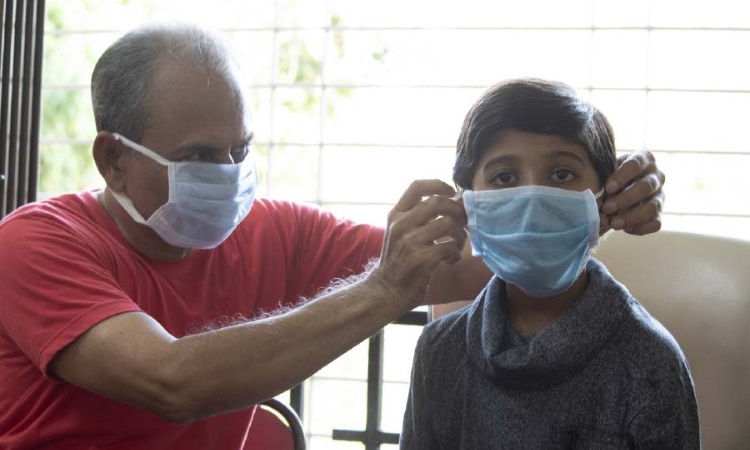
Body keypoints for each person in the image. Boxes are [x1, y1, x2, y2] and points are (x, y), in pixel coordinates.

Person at [0, 23, 665, 449]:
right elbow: (171, 383)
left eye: (243, 150)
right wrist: (381, 289)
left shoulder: (270, 230)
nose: (230, 177)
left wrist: (586, 205)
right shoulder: (34, 246)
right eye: (202, 157)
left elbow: (462, 270)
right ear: (114, 159)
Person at [399, 79, 699, 450]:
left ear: (604, 195)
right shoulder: (438, 353)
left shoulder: (652, 362)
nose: (532, 200)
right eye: (504, 178)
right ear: (468, 202)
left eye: (561, 174)